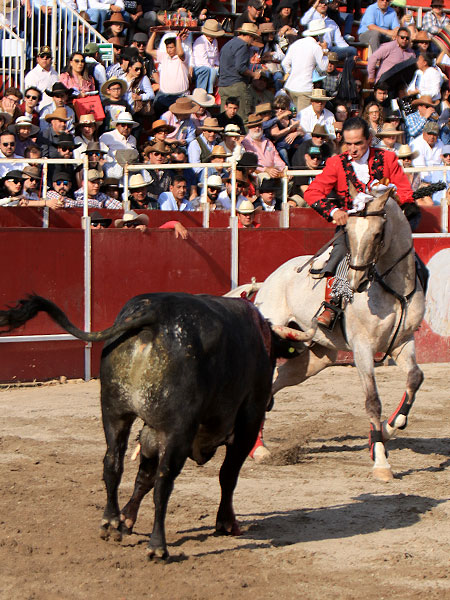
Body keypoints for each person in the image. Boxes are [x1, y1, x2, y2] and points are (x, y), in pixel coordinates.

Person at [304, 116, 416, 327]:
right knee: (339, 255)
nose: (353, 149)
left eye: (358, 143)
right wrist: (334, 210)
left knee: (411, 259)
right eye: (348, 144)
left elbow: (406, 192)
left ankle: (415, 301)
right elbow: (313, 193)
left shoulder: (388, 158)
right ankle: (333, 304)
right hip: (352, 226)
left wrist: (390, 196)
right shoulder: (336, 163)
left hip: (382, 226)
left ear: (370, 139)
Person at [218, 23, 264, 121]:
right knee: (242, 118)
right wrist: (254, 74)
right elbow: (241, 68)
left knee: (226, 118)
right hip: (236, 86)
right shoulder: (242, 46)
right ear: (249, 36)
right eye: (253, 38)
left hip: (223, 85)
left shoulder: (228, 44)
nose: (253, 41)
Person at [281, 18, 329, 113]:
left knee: (296, 117)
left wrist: (291, 72)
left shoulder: (296, 44)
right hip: (304, 88)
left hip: (290, 87)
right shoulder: (316, 47)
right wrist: (325, 51)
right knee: (303, 121)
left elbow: (284, 63)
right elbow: (324, 67)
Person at [146, 29, 190, 116]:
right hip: (164, 95)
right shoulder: (164, 56)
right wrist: (155, 33)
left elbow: (180, 53)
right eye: (167, 47)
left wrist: (178, 38)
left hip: (180, 95)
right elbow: (148, 50)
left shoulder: (183, 58)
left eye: (171, 47)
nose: (169, 50)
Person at [242, 113, 285, 179]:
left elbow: (277, 159)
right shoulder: (245, 143)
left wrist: (283, 169)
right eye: (254, 126)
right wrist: (266, 169)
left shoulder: (268, 142)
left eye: (259, 126)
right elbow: (249, 164)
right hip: (256, 174)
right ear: (249, 128)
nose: (257, 128)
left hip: (273, 173)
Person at [23, 46, 59, 112]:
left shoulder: (55, 74)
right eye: (42, 56)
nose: (45, 58)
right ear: (38, 59)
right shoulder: (32, 75)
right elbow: (30, 96)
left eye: (47, 57)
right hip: (40, 111)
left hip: (55, 109)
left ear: (51, 59)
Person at [192, 19, 224, 94]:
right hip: (200, 67)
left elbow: (216, 57)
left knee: (218, 70)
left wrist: (217, 66)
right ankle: (207, 93)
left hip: (211, 67)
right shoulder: (200, 41)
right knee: (209, 70)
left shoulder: (215, 41)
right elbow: (203, 62)